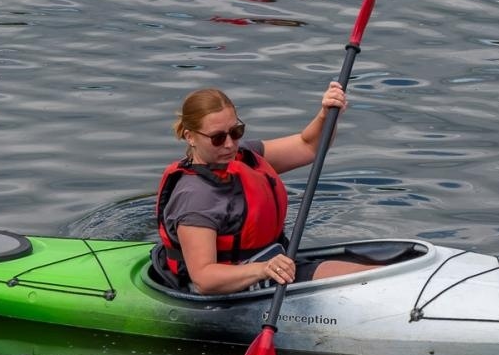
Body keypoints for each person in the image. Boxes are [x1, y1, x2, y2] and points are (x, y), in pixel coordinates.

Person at [152, 81, 378, 294]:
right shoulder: (195, 197)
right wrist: (262, 269)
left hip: (272, 264)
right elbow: (204, 279)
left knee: (384, 265)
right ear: (190, 137)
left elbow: (308, 146)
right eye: (218, 138)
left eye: (236, 132)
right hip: (233, 289)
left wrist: (326, 115)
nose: (230, 144)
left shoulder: (244, 157)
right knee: (367, 276)